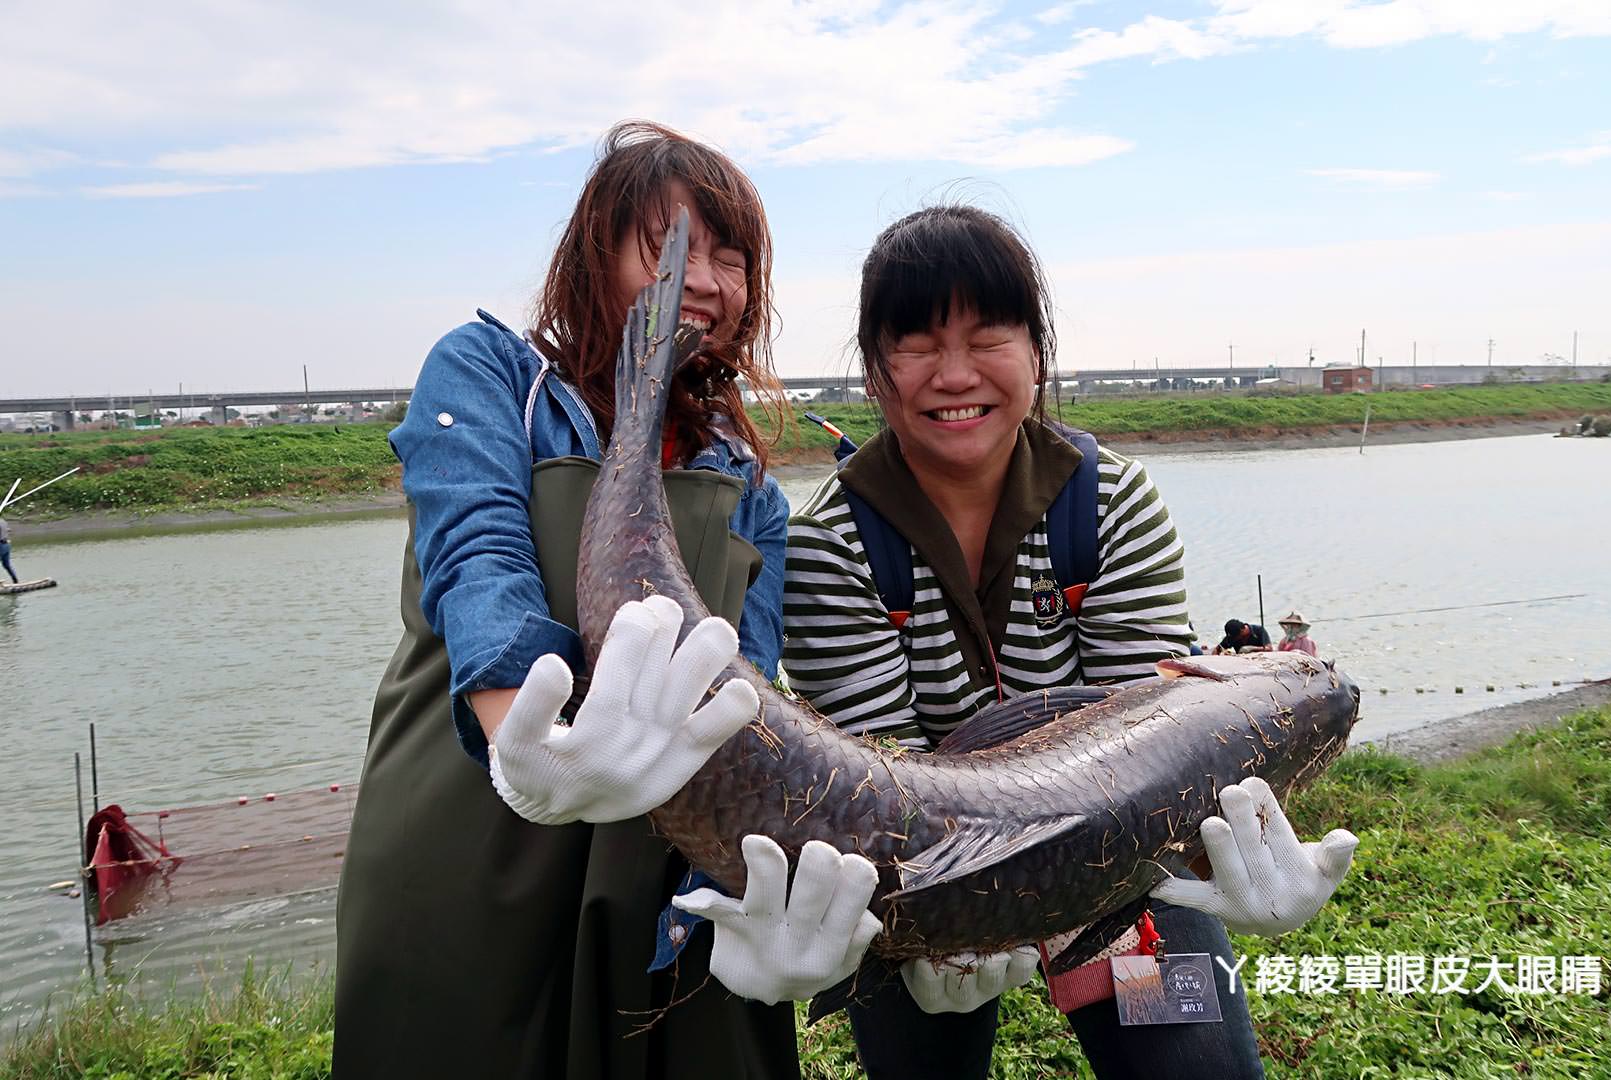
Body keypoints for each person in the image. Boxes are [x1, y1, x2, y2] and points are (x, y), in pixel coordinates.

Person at [334, 122, 877, 1080]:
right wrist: (529, 744)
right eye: (669, 247)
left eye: (730, 257)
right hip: (470, 837)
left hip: (657, 867)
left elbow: (744, 705)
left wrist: (755, 898)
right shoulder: (491, 374)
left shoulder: (748, 484)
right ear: (597, 251)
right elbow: (478, 562)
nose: (702, 278)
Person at [780, 205, 1357, 1079]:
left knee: (1198, 1069)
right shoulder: (827, 544)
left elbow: (1156, 751)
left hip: (1124, 877)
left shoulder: (1112, 503)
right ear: (873, 370)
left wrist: (1208, 850)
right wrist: (953, 925)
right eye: (918, 344)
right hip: (927, 880)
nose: (954, 373)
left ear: (1037, 352)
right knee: (925, 1054)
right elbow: (881, 780)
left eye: (988, 337)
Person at [0, 516, 16, 583]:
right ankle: (15, 581)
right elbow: (8, 530)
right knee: (6, 565)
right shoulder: (2, 521)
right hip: (6, 544)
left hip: (1, 545)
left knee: (6, 565)